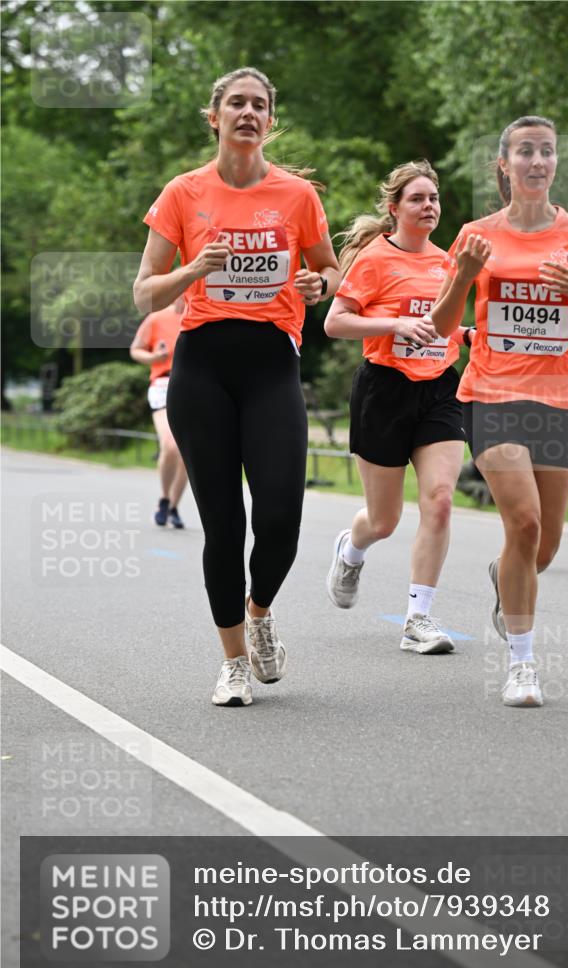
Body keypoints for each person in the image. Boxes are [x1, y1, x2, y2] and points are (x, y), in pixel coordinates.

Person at [133, 67, 340, 707]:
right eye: (236, 104)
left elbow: (331, 271)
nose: (247, 113)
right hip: (202, 367)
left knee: (280, 517)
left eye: (259, 105)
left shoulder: (297, 196)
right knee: (223, 525)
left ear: (270, 121)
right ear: (214, 116)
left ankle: (259, 612)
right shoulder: (183, 192)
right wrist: (195, 267)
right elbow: (144, 292)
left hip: (271, 365)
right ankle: (232, 664)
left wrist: (319, 284)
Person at [431, 115, 568, 707]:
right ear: (504, 164)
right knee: (525, 524)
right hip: (493, 395)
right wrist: (464, 275)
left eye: (546, 151)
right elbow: (442, 326)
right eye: (525, 151)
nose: (537, 161)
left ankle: (505, 575)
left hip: (562, 400)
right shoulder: (475, 235)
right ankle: (522, 664)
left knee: (543, 548)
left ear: (555, 163)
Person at [324, 161, 471, 654]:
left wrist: (467, 335)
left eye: (434, 198)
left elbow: (443, 326)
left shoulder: (448, 262)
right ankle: (352, 548)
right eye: (417, 199)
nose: (429, 206)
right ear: (394, 208)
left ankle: (417, 619)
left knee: (440, 500)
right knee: (383, 520)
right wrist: (394, 325)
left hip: (439, 389)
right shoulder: (374, 259)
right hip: (384, 390)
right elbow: (335, 322)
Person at [130, 296, 188, 528]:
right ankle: (164, 499)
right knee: (170, 445)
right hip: (163, 384)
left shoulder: (203, 317)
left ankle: (173, 506)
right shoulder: (157, 318)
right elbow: (136, 349)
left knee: (188, 453)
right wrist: (154, 357)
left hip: (194, 385)